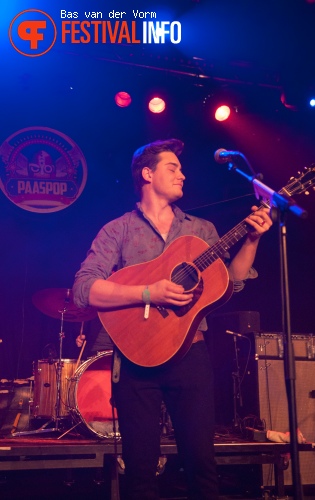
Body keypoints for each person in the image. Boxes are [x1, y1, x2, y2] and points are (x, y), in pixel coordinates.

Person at [72, 138, 272, 500]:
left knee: (201, 463)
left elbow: (231, 285)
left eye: (181, 168)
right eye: (173, 168)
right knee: (140, 468)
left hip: (190, 355)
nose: (183, 174)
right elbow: (84, 289)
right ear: (147, 174)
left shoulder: (202, 230)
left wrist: (252, 241)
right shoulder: (118, 230)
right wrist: (149, 292)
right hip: (135, 359)